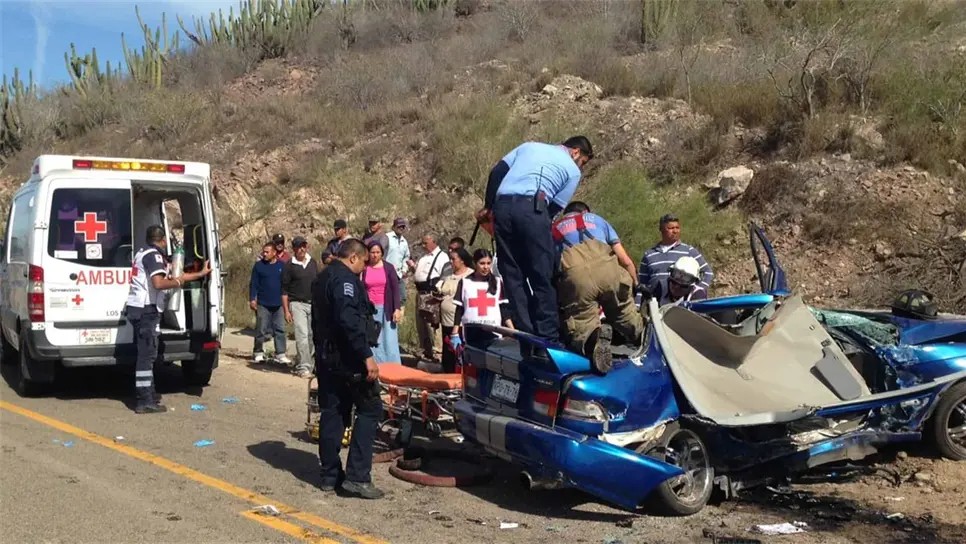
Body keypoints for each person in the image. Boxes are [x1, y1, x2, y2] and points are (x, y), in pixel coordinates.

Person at [477, 136, 594, 350]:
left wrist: (488, 206)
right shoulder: (573, 170)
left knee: (513, 275)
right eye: (583, 161)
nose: (581, 166)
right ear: (576, 152)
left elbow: (496, 172)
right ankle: (548, 337)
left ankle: (526, 333)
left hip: (502, 208)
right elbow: (555, 207)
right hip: (534, 208)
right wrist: (536, 221)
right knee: (542, 273)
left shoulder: (528, 146)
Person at [311, 238, 384, 500]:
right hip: (347, 358)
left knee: (333, 412)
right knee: (371, 408)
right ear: (353, 257)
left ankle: (330, 475)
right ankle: (357, 477)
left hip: (326, 357)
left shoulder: (322, 277)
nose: (365, 266)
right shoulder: (344, 281)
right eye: (364, 261)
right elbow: (348, 320)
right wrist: (366, 356)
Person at [126, 225, 211, 414]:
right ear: (163, 240)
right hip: (145, 310)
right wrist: (178, 283)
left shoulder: (143, 253)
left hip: (140, 309)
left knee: (147, 355)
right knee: (146, 357)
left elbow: (175, 274)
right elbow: (159, 283)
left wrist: (199, 274)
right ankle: (144, 400)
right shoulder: (153, 256)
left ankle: (147, 394)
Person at [551, 201, 643, 372]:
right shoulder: (597, 220)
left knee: (581, 324)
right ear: (586, 212)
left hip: (576, 275)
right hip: (608, 269)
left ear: (566, 214)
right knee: (624, 313)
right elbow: (625, 259)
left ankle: (594, 338)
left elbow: (550, 267)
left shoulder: (554, 229)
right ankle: (644, 338)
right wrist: (636, 284)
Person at [450, 249, 514, 351]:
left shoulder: (497, 282)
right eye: (482, 263)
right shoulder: (465, 282)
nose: (486, 267)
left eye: (488, 263)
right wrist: (455, 333)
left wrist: (512, 330)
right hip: (471, 332)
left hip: (493, 332)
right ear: (475, 264)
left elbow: (503, 309)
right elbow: (459, 309)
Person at [638, 214, 713, 299]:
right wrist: (637, 307)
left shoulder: (689, 251)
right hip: (655, 305)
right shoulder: (649, 254)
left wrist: (697, 291)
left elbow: (708, 272)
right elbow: (642, 284)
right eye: (671, 228)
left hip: (681, 306)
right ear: (661, 229)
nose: (675, 231)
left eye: (677, 228)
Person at [282, 236, 320, 379]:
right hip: (297, 304)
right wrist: (286, 310)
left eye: (303, 246)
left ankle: (310, 364)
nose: (302, 249)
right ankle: (303, 367)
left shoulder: (313, 263)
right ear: (294, 249)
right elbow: (284, 290)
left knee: (312, 336)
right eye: (299, 247)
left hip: (313, 304)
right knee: (301, 335)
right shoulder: (289, 265)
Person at [411, 234, 450, 363]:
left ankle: (437, 352)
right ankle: (426, 351)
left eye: (425, 243)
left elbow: (445, 276)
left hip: (431, 293)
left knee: (432, 324)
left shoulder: (442, 257)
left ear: (433, 242)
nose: (423, 246)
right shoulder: (424, 257)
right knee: (421, 325)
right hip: (420, 292)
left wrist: (438, 293)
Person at [250, 242, 291, 365]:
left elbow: (286, 285)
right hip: (263, 303)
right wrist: (253, 299)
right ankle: (258, 352)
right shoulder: (258, 266)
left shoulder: (282, 266)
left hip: (278, 304)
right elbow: (253, 284)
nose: (264, 254)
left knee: (280, 329)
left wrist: (287, 303)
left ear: (274, 253)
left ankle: (280, 354)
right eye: (264, 251)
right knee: (261, 329)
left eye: (267, 252)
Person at [362, 240, 402, 364]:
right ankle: (378, 367)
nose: (375, 255)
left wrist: (397, 308)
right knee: (374, 338)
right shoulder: (364, 268)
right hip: (371, 309)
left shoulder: (388, 268)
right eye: (372, 252)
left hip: (387, 307)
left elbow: (395, 289)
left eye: (377, 252)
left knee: (389, 339)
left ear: (382, 253)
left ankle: (394, 368)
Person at [436, 247, 474, 373]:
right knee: (448, 354)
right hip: (446, 321)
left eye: (453, 259)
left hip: (460, 323)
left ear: (462, 260)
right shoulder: (449, 276)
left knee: (459, 354)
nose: (451, 262)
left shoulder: (470, 276)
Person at [384, 217, 412, 306]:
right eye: (399, 226)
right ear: (394, 227)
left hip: (399, 274)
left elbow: (406, 257)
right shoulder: (387, 237)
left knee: (402, 298)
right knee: (387, 297)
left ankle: (398, 318)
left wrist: (404, 270)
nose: (401, 228)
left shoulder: (404, 241)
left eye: (403, 226)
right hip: (387, 273)